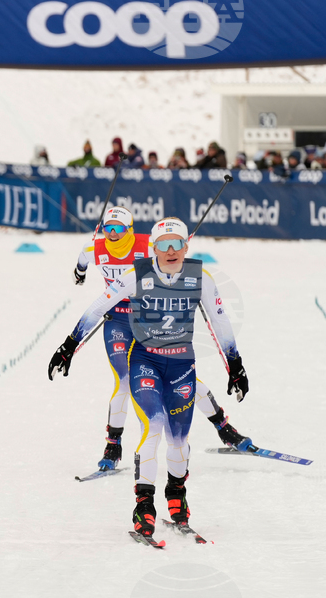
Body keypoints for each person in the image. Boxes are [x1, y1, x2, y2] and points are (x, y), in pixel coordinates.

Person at [51, 217, 249, 542]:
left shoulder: (201, 278)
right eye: (163, 245)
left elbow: (220, 322)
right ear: (153, 248)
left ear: (186, 246)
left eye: (177, 244)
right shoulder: (137, 274)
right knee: (153, 424)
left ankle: (177, 496)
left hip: (181, 365)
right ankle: (144, 506)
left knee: (179, 440)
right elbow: (99, 306)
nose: (170, 251)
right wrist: (69, 346)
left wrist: (235, 365)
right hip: (145, 361)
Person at [72, 207, 252, 472]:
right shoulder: (95, 248)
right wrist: (79, 272)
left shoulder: (147, 245)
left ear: (130, 230)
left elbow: (170, 258)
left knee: (181, 380)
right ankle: (113, 444)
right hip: (118, 322)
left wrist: (181, 269)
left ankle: (223, 426)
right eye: (108, 228)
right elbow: (83, 260)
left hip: (148, 319)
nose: (112, 234)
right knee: (124, 380)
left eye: (119, 228)